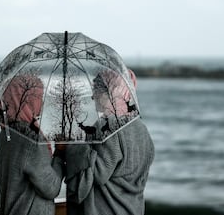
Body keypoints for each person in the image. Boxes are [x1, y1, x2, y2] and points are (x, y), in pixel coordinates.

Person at [62, 69, 155, 215]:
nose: (93, 97)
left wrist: (71, 148)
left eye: (97, 92)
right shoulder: (141, 128)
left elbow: (95, 174)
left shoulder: (108, 126)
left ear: (110, 93)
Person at [0, 74, 65, 215]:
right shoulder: (32, 139)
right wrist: (59, 154)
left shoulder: (6, 134)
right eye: (38, 97)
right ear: (27, 99)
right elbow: (51, 187)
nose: (42, 102)